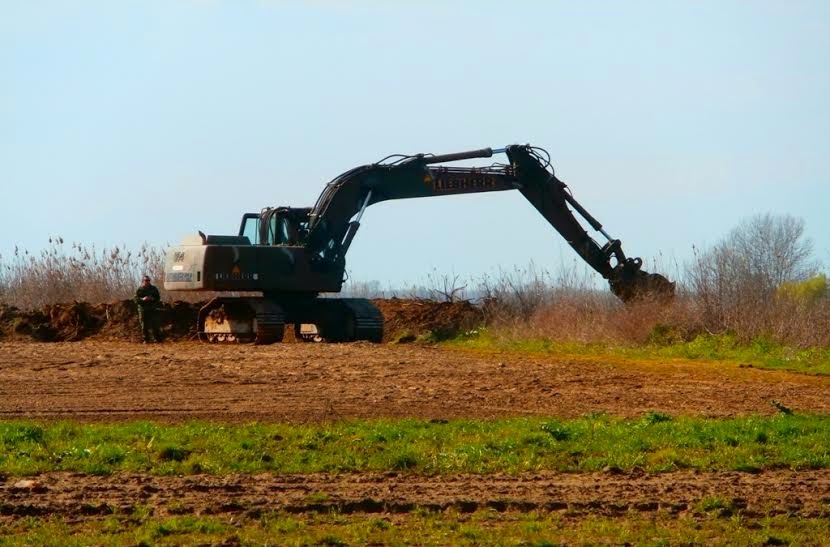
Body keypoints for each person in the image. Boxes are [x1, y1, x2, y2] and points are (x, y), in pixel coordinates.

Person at [135, 275, 162, 343]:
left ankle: (156, 339)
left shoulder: (153, 289)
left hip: (152, 308)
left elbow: (158, 298)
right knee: (144, 325)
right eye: (146, 280)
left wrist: (152, 299)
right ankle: (146, 339)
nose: (147, 282)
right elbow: (135, 299)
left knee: (154, 324)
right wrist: (143, 299)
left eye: (148, 280)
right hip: (143, 309)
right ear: (143, 281)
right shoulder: (140, 289)